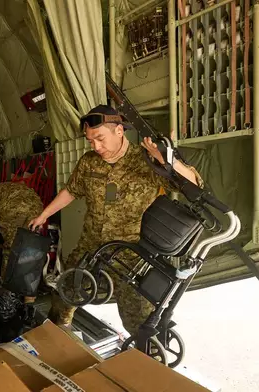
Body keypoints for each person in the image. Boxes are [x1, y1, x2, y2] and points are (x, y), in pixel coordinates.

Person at [29, 105, 203, 336]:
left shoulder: (146, 161)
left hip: (131, 256)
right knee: (66, 294)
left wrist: (168, 161)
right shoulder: (89, 162)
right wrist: (44, 214)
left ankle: (147, 357)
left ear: (119, 131)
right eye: (91, 141)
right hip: (90, 247)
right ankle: (57, 337)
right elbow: (71, 190)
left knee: (138, 318)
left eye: (100, 139)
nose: (96, 146)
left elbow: (195, 186)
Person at [0, 181, 44, 319]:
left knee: (10, 251)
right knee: (31, 250)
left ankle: (8, 296)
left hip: (14, 210)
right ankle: (29, 297)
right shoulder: (16, 187)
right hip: (37, 209)